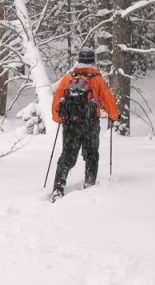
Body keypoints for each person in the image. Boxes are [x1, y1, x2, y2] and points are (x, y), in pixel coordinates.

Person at [50, 48, 119, 200]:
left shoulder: (69, 77)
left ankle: (58, 188)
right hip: (90, 124)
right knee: (91, 155)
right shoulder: (98, 79)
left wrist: (60, 118)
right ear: (92, 61)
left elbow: (57, 102)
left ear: (78, 61)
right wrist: (114, 115)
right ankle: (89, 184)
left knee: (67, 156)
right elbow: (108, 100)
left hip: (71, 124)